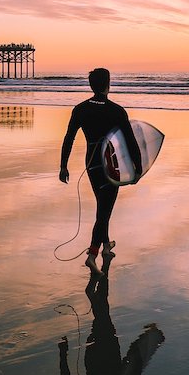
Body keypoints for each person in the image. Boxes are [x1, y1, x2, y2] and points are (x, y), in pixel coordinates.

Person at [59, 67, 143, 276]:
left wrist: (63, 166)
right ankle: (92, 254)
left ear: (91, 85)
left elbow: (69, 138)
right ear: (108, 84)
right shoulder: (116, 111)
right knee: (104, 211)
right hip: (110, 165)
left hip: (92, 164)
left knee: (102, 204)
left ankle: (106, 245)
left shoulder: (80, 109)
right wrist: (138, 168)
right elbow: (131, 142)